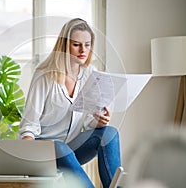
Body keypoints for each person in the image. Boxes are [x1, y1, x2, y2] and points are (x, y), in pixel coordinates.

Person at [18, 18, 121, 188]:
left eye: (87, 45)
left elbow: (88, 121)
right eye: (76, 45)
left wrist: (98, 121)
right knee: (58, 147)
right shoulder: (44, 75)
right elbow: (29, 125)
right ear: (64, 45)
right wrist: (29, 162)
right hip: (46, 153)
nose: (83, 50)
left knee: (109, 133)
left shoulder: (90, 74)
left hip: (72, 150)